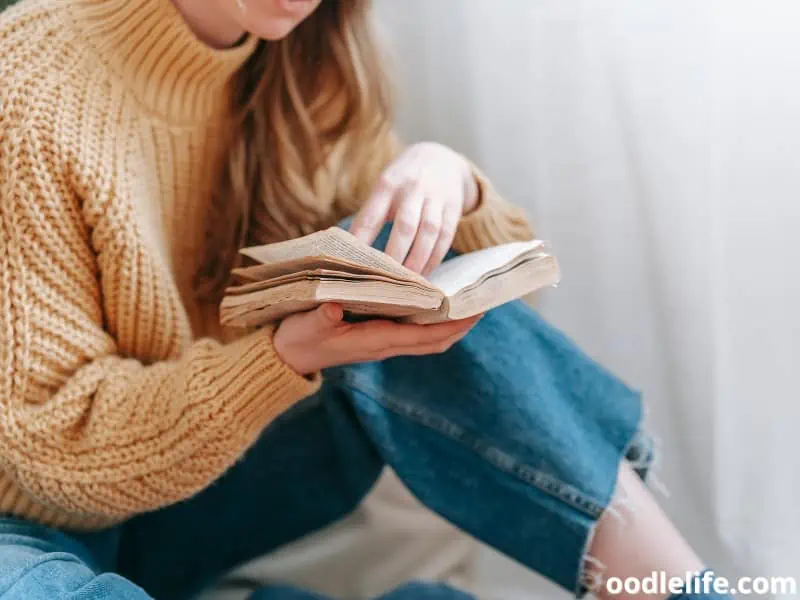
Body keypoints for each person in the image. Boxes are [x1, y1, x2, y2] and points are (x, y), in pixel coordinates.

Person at [0, 1, 731, 599]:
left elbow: (490, 283)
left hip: (192, 504)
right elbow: (49, 447)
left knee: (406, 271)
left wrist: (451, 178)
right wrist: (279, 359)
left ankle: (683, 591)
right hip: (28, 524)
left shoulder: (306, 59)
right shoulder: (33, 76)